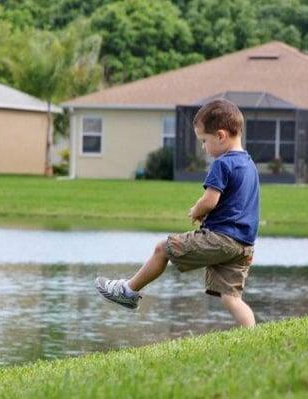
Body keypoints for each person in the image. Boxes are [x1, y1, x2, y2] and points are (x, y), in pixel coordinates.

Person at [95, 98, 260, 327]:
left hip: (221, 239)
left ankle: (128, 291)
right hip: (244, 246)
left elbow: (210, 200)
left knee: (162, 249)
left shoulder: (223, 164)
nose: (203, 147)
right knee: (231, 297)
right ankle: (251, 335)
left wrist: (196, 210)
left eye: (204, 140)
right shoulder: (249, 164)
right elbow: (236, 203)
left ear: (221, 135)